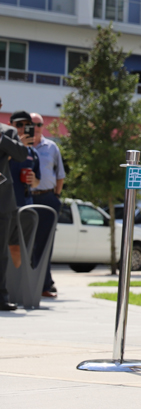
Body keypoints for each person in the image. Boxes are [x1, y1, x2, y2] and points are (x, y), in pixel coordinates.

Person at [28, 113, 65, 299]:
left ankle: (44, 285)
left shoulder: (51, 147)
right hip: (26, 198)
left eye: (39, 124)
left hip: (47, 198)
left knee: (45, 244)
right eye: (31, 124)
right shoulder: (20, 147)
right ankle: (23, 284)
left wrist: (56, 196)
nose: (35, 128)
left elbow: (60, 175)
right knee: (25, 243)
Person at [0, 96, 28, 311]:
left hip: (3, 203)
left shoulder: (7, 132)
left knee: (1, 252)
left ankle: (1, 297)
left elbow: (21, 154)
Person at [7, 112, 39, 270]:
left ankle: (11, 290)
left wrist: (34, 180)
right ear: (10, 125)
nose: (22, 129)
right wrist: (16, 147)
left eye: (27, 125)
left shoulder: (33, 153)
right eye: (19, 125)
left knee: (19, 249)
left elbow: (38, 179)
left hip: (25, 207)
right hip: (5, 206)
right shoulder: (4, 148)